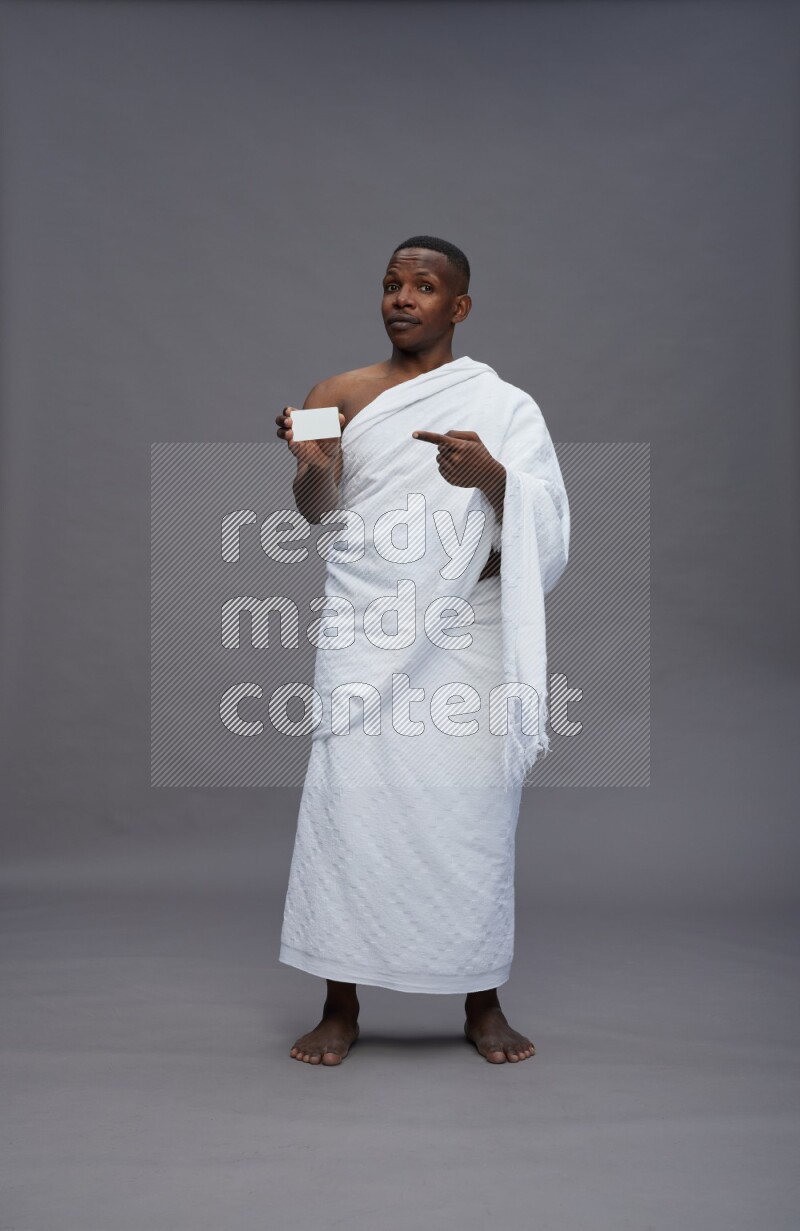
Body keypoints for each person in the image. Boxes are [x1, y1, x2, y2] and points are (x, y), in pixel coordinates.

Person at [275, 235, 570, 1065]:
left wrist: (491, 475)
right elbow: (319, 511)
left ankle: (481, 1000)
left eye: (424, 286)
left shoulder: (503, 405)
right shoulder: (338, 393)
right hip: (368, 629)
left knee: (470, 812)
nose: (403, 298)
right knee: (349, 811)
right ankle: (340, 1003)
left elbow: (544, 530)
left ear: (459, 306)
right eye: (392, 284)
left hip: (465, 632)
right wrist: (309, 461)